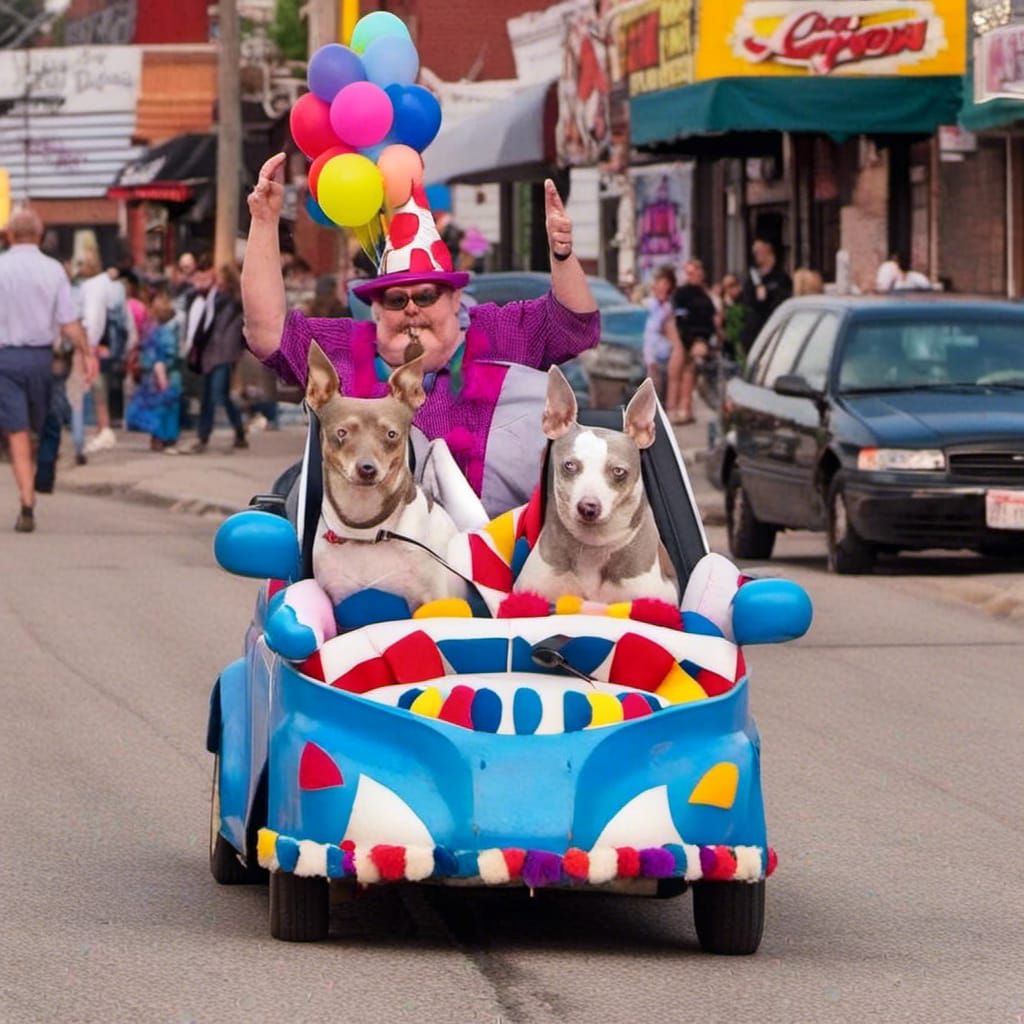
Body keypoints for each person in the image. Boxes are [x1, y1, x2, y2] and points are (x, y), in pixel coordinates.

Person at [242, 152, 599, 507]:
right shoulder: (347, 349)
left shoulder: (497, 334)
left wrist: (563, 255)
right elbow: (267, 334)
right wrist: (264, 220)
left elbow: (574, 323)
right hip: (370, 551)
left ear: (455, 299)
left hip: (493, 548)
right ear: (377, 309)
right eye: (397, 300)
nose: (412, 309)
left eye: (426, 296)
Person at [0, 208, 97, 532]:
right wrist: (87, 353)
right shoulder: (54, 270)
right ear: (39, 236)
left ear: (9, 235)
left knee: (17, 431)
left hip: (6, 360)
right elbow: (69, 321)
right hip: (41, 360)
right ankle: (32, 489)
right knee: (36, 427)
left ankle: (28, 499)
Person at [185, 263, 247, 453]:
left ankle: (230, 431)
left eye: (219, 277)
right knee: (210, 396)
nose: (216, 281)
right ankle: (210, 435)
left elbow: (233, 328)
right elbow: (206, 324)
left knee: (217, 394)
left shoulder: (235, 301)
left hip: (225, 354)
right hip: (211, 353)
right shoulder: (214, 298)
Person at [125, 288, 183, 451]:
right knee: (168, 407)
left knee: (155, 406)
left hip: (150, 376)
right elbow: (164, 357)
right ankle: (167, 438)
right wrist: (162, 376)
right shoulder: (167, 332)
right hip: (167, 375)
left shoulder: (150, 330)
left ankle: (156, 438)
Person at [77, 253, 119, 454]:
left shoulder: (92, 288)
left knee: (96, 388)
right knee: (98, 388)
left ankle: (103, 429)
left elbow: (92, 318)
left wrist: (86, 345)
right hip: (100, 343)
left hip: (91, 344)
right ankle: (103, 429)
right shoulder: (103, 287)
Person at [669, 258, 717, 425]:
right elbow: (680, 320)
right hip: (684, 338)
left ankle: (686, 408)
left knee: (691, 374)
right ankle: (677, 410)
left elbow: (711, 320)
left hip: (701, 339)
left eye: (695, 272)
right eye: (689, 272)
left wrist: (703, 340)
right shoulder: (681, 294)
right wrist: (690, 342)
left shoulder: (705, 295)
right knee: (679, 374)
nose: (693, 275)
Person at [740, 238, 792, 350]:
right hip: (754, 334)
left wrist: (767, 294)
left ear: (768, 250)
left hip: (773, 330)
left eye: (758, 251)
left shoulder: (781, 277)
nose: (756, 255)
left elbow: (782, 301)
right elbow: (747, 302)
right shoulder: (752, 278)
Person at [642, 266, 676, 402]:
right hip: (652, 360)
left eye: (666, 284)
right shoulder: (648, 305)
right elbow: (648, 336)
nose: (662, 288)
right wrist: (650, 360)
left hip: (668, 358)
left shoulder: (670, 308)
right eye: (659, 284)